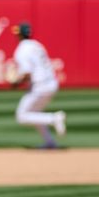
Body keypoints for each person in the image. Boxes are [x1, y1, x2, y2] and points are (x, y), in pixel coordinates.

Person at [8, 21, 65, 149]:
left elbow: (27, 74)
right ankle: (50, 142)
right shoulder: (37, 45)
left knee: (21, 116)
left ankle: (54, 118)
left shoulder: (21, 50)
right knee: (35, 113)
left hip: (40, 86)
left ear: (20, 35)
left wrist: (15, 83)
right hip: (52, 83)